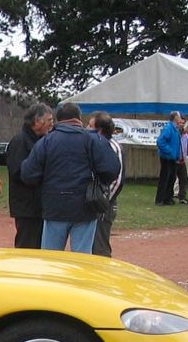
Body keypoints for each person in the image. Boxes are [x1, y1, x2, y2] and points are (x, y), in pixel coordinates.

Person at [21, 101, 120, 254]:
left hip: (54, 206)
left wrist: (45, 180)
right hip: (85, 206)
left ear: (58, 119)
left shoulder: (46, 142)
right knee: (82, 259)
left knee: (50, 259)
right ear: (79, 119)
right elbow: (112, 169)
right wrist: (98, 181)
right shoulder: (92, 140)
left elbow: (28, 173)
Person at [6, 102, 53, 248]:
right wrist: (43, 175)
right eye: (49, 120)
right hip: (27, 207)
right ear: (37, 121)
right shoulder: (20, 142)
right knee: (27, 246)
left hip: (39, 206)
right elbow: (18, 173)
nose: (52, 125)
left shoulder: (41, 141)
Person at [89, 112, 124, 257]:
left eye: (90, 126)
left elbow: (118, 179)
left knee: (99, 247)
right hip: (93, 201)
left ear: (100, 130)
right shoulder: (93, 144)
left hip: (104, 203)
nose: (86, 129)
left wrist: (102, 200)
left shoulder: (113, 147)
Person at [155, 111, 184, 205]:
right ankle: (160, 199)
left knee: (171, 178)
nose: (180, 118)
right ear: (175, 117)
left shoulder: (175, 128)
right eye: (179, 116)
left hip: (173, 158)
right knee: (165, 178)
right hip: (167, 158)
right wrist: (169, 151)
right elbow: (160, 141)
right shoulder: (169, 128)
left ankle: (168, 198)